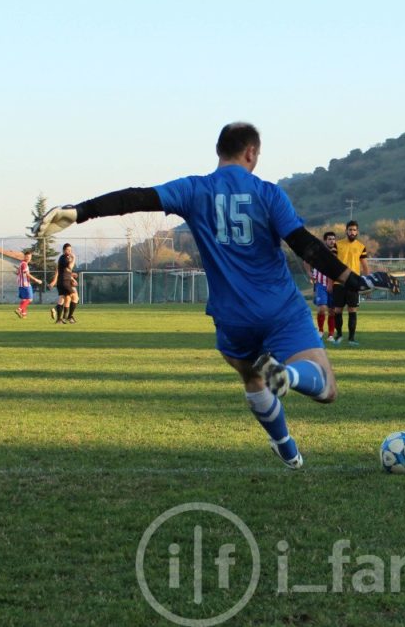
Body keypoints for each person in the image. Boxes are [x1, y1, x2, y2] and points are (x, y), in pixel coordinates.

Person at [31, 122, 367, 468]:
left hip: (232, 316)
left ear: (220, 151)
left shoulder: (194, 189)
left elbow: (135, 197)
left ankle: (286, 447)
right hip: (279, 306)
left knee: (252, 377)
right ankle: (289, 375)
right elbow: (304, 245)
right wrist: (349, 278)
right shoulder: (268, 193)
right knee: (325, 387)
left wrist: (79, 211)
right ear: (251, 152)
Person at [330, 220, 371, 345]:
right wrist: (330, 283)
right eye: (350, 230)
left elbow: (365, 267)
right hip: (339, 283)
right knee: (337, 310)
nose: (352, 232)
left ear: (357, 232)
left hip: (354, 283)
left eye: (354, 230)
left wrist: (367, 284)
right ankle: (339, 335)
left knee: (352, 309)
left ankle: (352, 339)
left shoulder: (361, 247)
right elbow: (331, 265)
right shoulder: (337, 245)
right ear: (346, 231)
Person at [303, 231, 338, 340]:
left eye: (333, 239)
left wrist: (331, 284)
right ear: (325, 240)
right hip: (320, 284)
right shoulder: (318, 252)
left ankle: (331, 334)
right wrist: (309, 273)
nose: (332, 241)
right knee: (322, 308)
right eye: (329, 239)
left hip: (334, 285)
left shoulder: (338, 252)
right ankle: (321, 330)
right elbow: (306, 261)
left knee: (332, 310)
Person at [47, 243, 79, 324]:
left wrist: (71, 277)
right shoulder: (64, 258)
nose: (69, 251)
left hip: (62, 281)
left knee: (63, 299)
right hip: (65, 282)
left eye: (70, 250)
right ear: (64, 250)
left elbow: (66, 271)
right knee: (75, 297)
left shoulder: (62, 258)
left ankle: (59, 319)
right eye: (68, 250)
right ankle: (69, 317)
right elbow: (70, 267)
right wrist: (74, 258)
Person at [15, 249, 43, 318]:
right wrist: (36, 280)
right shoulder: (24, 264)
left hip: (21, 285)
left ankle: (23, 314)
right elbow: (27, 274)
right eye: (27, 257)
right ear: (24, 257)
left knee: (24, 300)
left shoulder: (22, 264)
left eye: (30, 257)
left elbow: (18, 273)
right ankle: (19, 309)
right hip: (25, 284)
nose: (29, 258)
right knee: (30, 299)